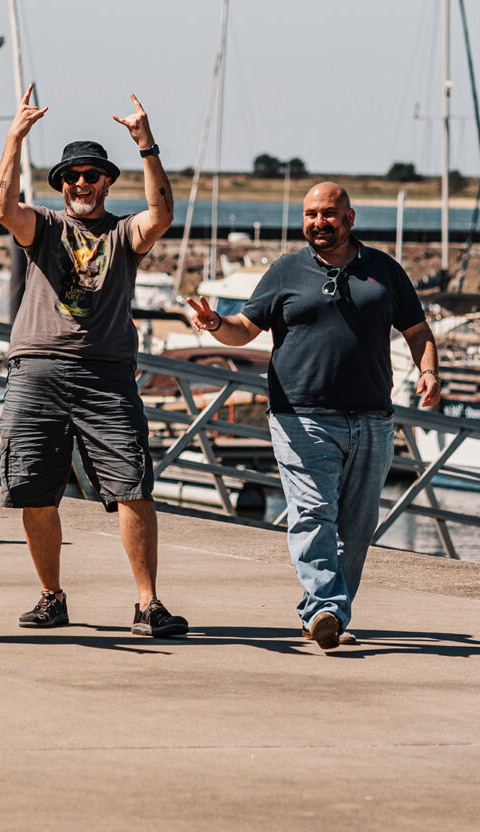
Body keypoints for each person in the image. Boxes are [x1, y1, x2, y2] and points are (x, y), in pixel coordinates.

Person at [188, 182, 440, 650]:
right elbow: (246, 329)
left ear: (349, 218)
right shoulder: (286, 270)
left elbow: (417, 329)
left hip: (372, 418)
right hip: (300, 415)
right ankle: (327, 606)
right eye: (310, 215)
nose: (317, 223)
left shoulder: (383, 270)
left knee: (357, 526)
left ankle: (322, 612)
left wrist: (428, 370)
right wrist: (216, 325)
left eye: (328, 214)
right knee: (311, 513)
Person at [0, 85, 188, 638]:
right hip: (36, 370)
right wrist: (15, 136)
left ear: (106, 182)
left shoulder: (124, 233)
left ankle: (147, 604)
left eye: (93, 175)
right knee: (33, 487)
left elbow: (162, 213)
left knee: (132, 484)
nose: (82, 183)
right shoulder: (45, 228)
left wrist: (146, 143)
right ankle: (51, 596)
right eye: (73, 175)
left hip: (105, 374)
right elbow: (3, 207)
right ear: (61, 184)